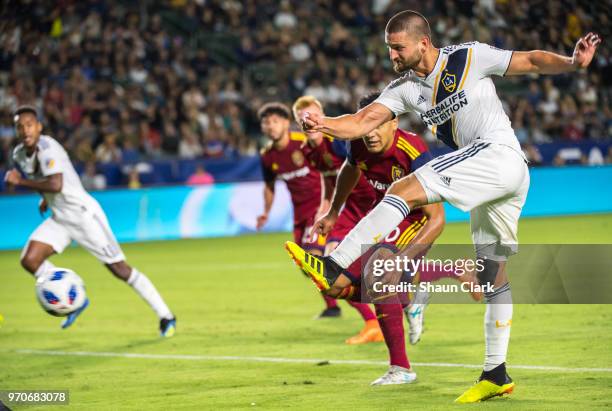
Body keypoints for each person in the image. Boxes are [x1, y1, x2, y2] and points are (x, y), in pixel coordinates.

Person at [286, 10, 601, 403]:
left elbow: (530, 60)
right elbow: (362, 121)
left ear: (422, 42)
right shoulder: (403, 88)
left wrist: (573, 63)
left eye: (397, 48)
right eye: (388, 49)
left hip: (499, 153)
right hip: (497, 177)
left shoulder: (469, 56)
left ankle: (333, 263)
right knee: (493, 276)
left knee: (403, 189)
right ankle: (495, 373)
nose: (392, 57)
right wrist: (323, 123)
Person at [4, 106, 176, 336]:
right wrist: (45, 199)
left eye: (29, 124)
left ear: (39, 127)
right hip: (61, 218)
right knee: (30, 260)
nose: (26, 130)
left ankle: (166, 315)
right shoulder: (18, 154)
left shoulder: (48, 148)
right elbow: (45, 183)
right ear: (15, 130)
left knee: (119, 269)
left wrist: (21, 183)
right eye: (20, 126)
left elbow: (56, 184)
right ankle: (72, 296)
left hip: (84, 216)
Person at [292, 96, 383, 345]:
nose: (308, 121)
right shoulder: (308, 151)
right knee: (324, 267)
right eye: (302, 119)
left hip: (371, 202)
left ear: (321, 115)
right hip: (347, 208)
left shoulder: (338, 143)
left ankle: (386, 314)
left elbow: (362, 165)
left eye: (312, 115)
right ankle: (373, 322)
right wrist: (326, 206)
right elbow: (328, 179)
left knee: (379, 267)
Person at [256, 102, 340, 319]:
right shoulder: (267, 155)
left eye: (275, 121)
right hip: (299, 215)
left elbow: (328, 167)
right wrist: (265, 211)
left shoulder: (302, 142)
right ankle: (332, 306)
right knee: (305, 266)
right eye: (266, 123)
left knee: (314, 259)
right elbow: (269, 185)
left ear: (286, 123)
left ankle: (364, 313)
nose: (271, 126)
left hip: (319, 210)